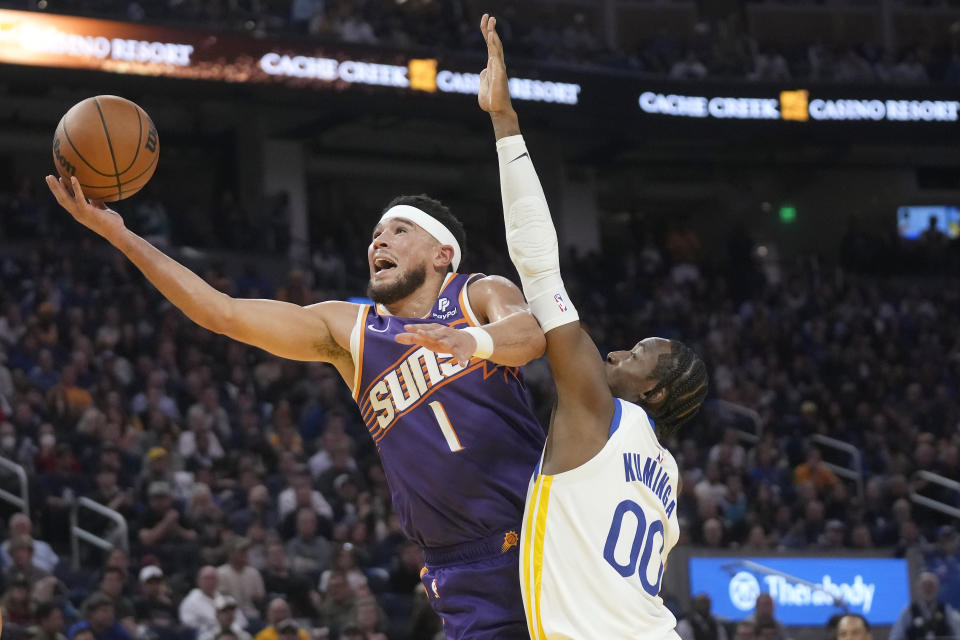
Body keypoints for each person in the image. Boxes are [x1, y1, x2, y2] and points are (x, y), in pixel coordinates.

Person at [47, 97, 548, 638]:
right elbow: (222, 312)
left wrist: (469, 341)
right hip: (454, 566)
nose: (379, 240)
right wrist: (119, 235)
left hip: (538, 536)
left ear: (442, 254)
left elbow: (530, 336)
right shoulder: (351, 331)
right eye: (376, 234)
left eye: (399, 231)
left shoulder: (478, 293)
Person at [398, 14, 707, 639]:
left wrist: (506, 125)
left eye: (642, 352)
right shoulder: (665, 473)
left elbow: (539, 269)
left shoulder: (600, 410)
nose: (620, 349)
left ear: (658, 391)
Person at [890, 571, 960, 640]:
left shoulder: (945, 609)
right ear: (918, 588)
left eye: (931, 586)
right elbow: (896, 635)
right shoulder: (909, 610)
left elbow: (958, 630)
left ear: (937, 588)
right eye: (924, 586)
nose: (928, 589)